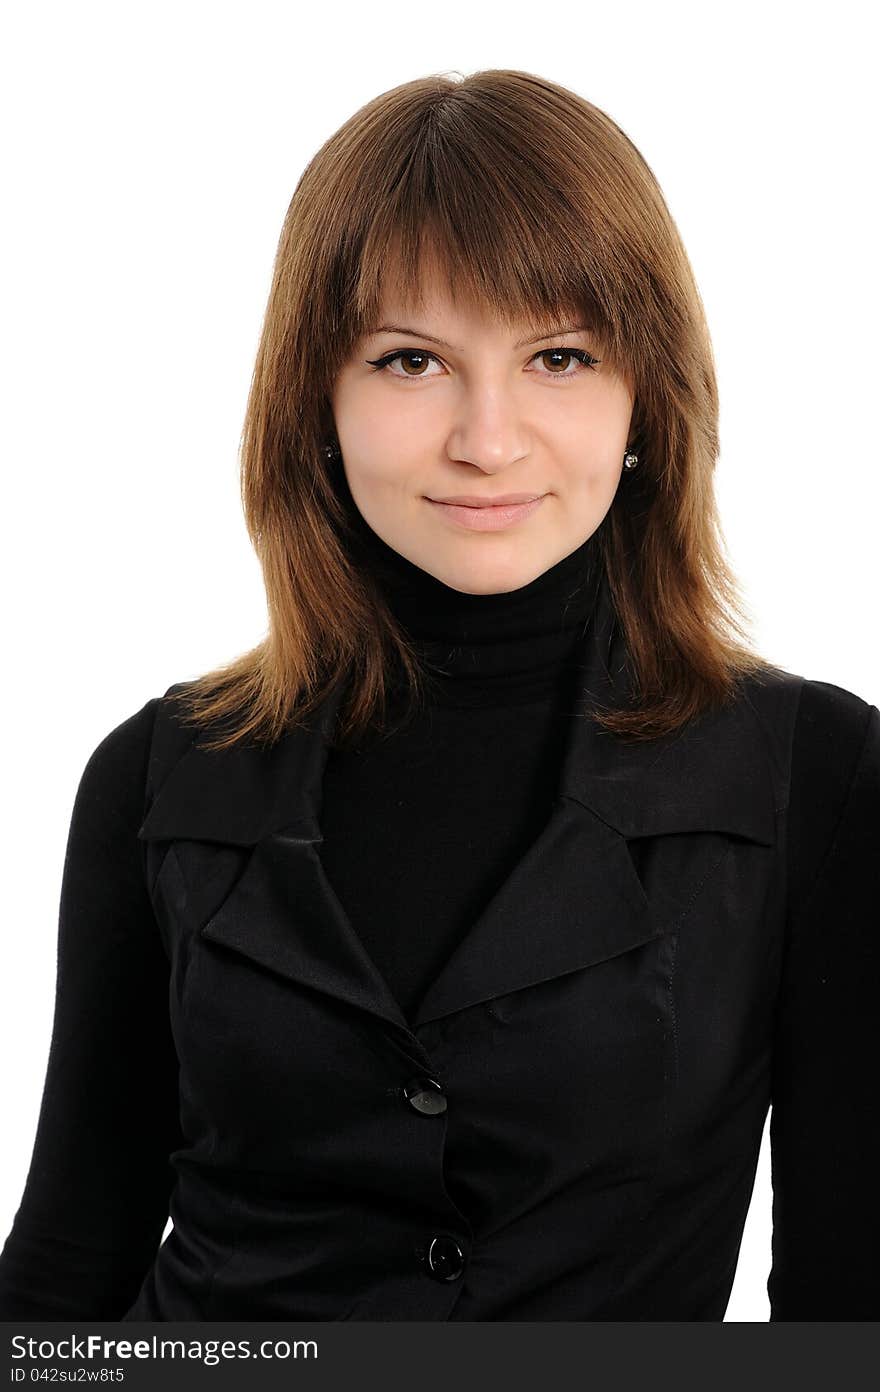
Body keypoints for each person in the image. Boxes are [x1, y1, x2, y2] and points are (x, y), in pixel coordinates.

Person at [0, 67, 877, 1323]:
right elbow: (71, 1257)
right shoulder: (160, 771)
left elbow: (848, 1309)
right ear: (319, 396)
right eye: (412, 360)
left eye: (560, 356)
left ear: (646, 399)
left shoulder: (817, 774)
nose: (489, 437)